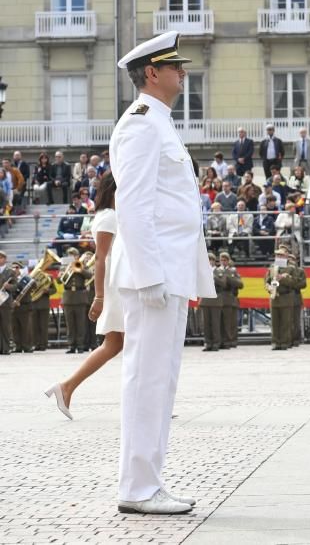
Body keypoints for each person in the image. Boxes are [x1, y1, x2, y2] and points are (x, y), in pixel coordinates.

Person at [110, 31, 215, 515]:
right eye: (174, 66)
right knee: (147, 379)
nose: (183, 72)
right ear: (152, 73)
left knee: (161, 380)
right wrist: (151, 274)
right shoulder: (141, 125)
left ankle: (148, 482)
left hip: (170, 271)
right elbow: (131, 203)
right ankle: (137, 487)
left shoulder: (162, 124)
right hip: (153, 275)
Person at [59, 246, 93, 354]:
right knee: (70, 324)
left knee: (80, 323)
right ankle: (71, 345)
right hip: (68, 297)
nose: (71, 257)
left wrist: (80, 270)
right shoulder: (64, 266)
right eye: (70, 255)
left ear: (77, 256)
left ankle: (80, 345)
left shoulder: (82, 265)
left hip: (80, 297)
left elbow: (89, 275)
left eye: (73, 255)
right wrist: (61, 275)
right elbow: (60, 281)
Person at [266, 246, 300, 350]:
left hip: (286, 297)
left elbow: (295, 283)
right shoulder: (272, 267)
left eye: (281, 255)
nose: (278, 257)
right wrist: (269, 288)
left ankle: (285, 342)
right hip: (274, 297)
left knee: (286, 322)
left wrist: (283, 279)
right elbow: (266, 281)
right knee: (275, 323)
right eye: (277, 255)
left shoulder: (291, 268)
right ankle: (276, 342)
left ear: (286, 256)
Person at [218, 251, 243, 348]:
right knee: (221, 323)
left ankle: (231, 341)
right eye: (221, 260)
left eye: (225, 260)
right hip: (219, 300)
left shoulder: (233, 271)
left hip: (230, 299)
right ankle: (222, 341)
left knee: (231, 323)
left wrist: (230, 279)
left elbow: (240, 284)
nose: (223, 262)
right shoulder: (217, 270)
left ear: (228, 261)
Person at [200, 253, 224, 352]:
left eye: (211, 260)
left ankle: (216, 343)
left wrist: (213, 276)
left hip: (215, 300)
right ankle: (208, 343)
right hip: (205, 299)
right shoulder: (203, 272)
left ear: (214, 261)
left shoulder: (219, 271)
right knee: (206, 324)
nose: (209, 262)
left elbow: (223, 283)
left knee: (215, 323)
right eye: (207, 260)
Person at [0, 251, 15, 354]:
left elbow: (15, 286)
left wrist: (8, 286)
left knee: (5, 326)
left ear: (5, 259)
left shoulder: (10, 272)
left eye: (1, 258)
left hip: (5, 302)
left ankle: (5, 348)